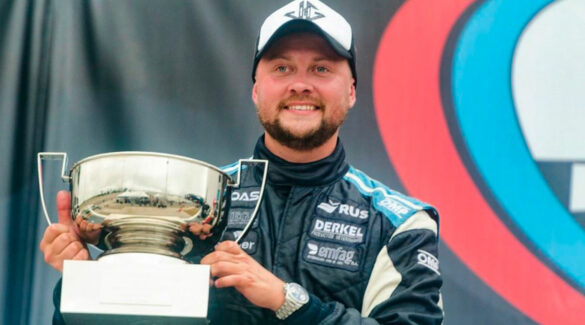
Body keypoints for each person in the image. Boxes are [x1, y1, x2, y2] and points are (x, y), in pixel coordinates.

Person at [40, 0, 443, 324]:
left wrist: (292, 303)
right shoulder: (194, 205)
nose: (300, 83)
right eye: (282, 67)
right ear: (256, 89)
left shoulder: (400, 224)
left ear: (352, 90)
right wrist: (87, 281)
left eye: (321, 68)